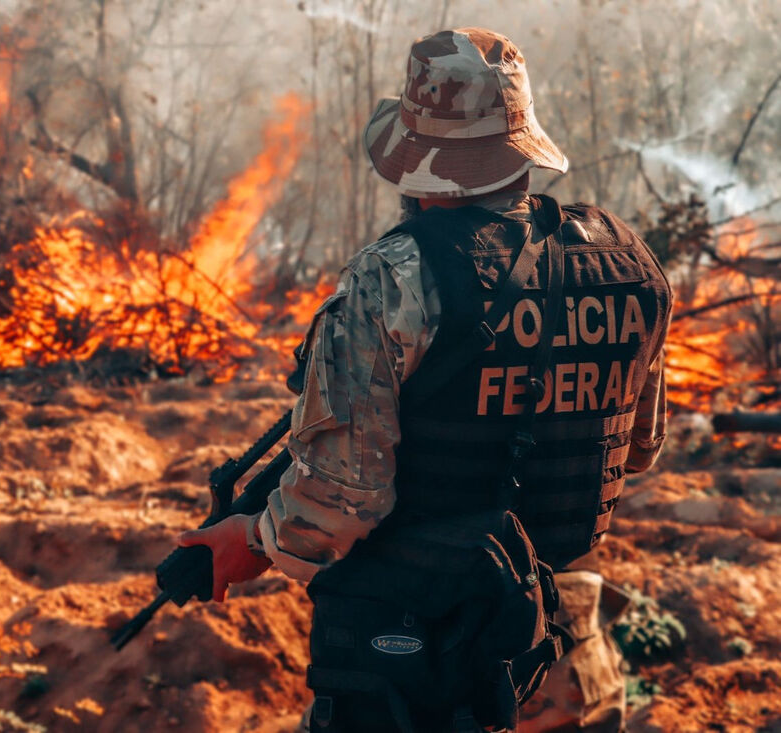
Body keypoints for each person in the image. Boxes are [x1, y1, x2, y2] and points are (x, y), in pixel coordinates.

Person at [179, 27, 671, 732]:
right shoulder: (631, 262)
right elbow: (639, 450)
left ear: (415, 164)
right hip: (566, 652)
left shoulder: (394, 276)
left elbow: (338, 502)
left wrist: (252, 536)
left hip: (428, 662)